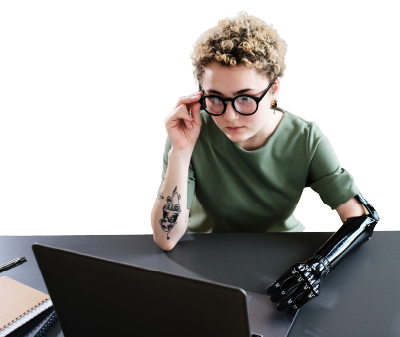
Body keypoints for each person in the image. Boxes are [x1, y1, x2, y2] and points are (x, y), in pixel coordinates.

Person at [150, 10, 379, 312]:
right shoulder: (191, 132)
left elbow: (362, 217)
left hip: (280, 269)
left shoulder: (305, 139)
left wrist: (318, 266)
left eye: (245, 98)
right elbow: (167, 239)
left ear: (274, 91)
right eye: (215, 98)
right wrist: (180, 151)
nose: (229, 116)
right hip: (203, 263)